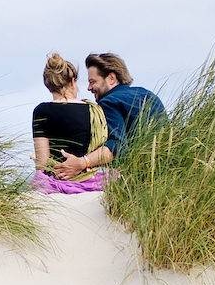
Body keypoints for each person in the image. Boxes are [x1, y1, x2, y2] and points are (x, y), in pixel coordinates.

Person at [31, 53, 107, 194]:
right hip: (90, 181)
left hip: (56, 183)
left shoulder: (40, 111)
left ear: (48, 85)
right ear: (72, 81)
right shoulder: (93, 110)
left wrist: (40, 163)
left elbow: (43, 163)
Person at [85, 52, 168, 166]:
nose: (89, 88)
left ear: (111, 78)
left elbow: (117, 146)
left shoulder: (109, 102)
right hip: (165, 167)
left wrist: (83, 162)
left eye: (92, 82)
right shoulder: (148, 94)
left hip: (134, 173)